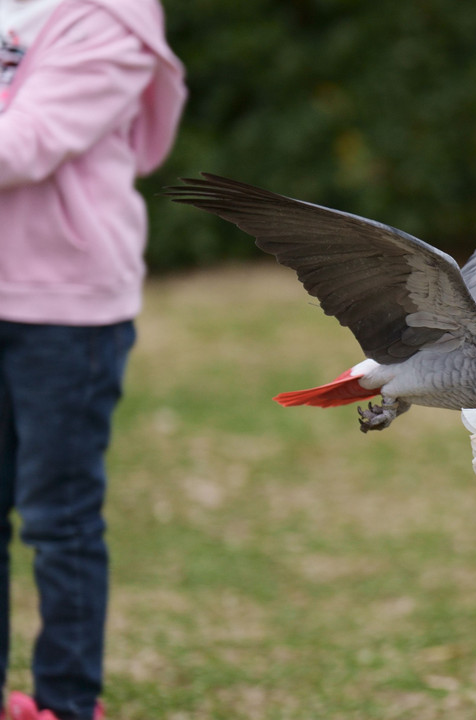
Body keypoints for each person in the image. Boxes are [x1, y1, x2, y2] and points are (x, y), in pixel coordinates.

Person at [0, 0, 185, 717]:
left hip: (66, 310)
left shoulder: (114, 21)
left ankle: (65, 703)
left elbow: (29, 141)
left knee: (60, 520)